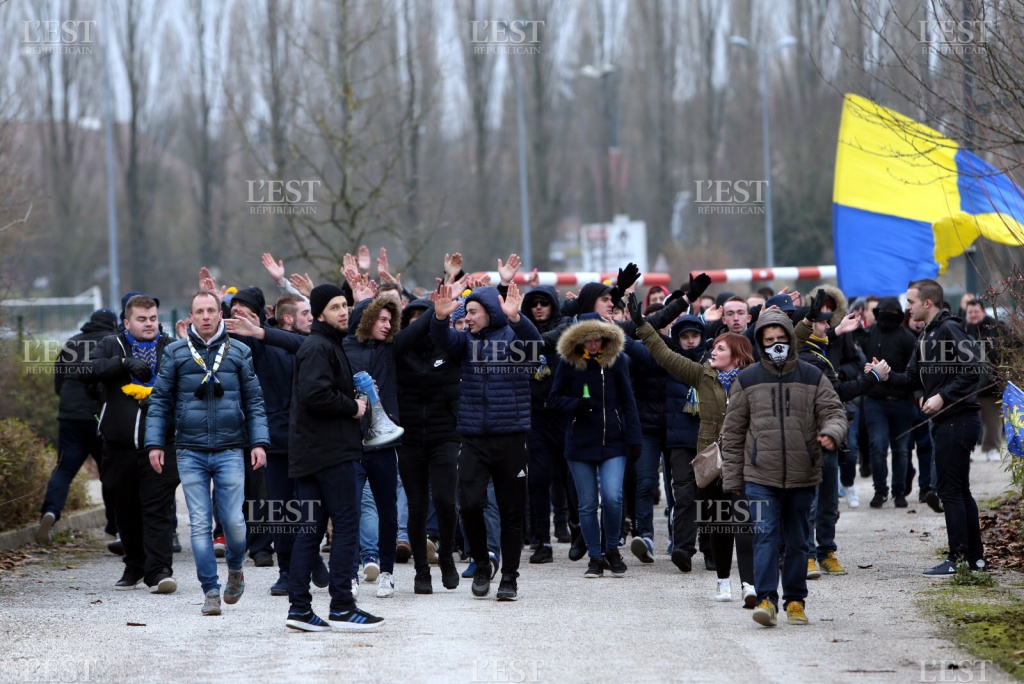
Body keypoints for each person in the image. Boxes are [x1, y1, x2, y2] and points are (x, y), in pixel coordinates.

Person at [145, 290, 270, 617]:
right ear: (190, 317)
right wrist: (155, 444)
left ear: (219, 314)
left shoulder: (239, 351)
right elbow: (159, 402)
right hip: (190, 450)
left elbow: (255, 402)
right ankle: (210, 591)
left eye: (210, 310)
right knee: (200, 524)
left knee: (234, 522)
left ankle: (234, 569)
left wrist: (258, 442)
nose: (204, 316)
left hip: (230, 448)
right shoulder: (174, 353)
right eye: (198, 311)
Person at [630, 293, 760, 605]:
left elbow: (784, 344)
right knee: (718, 524)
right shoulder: (702, 375)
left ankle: (750, 586)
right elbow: (665, 356)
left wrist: (807, 324)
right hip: (710, 464)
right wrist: (642, 325)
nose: (711, 351)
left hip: (743, 462)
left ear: (738, 355)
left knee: (742, 523)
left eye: (719, 348)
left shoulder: (755, 380)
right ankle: (723, 582)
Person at [720, 309, 847, 627]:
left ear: (791, 340)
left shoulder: (811, 375)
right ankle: (765, 599)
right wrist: (733, 480)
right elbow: (732, 434)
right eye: (769, 340)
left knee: (797, 541)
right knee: (764, 536)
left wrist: (831, 434)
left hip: (803, 474)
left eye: (781, 338)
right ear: (760, 343)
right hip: (760, 476)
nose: (776, 344)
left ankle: (795, 601)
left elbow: (834, 411)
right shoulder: (746, 380)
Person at [430, 282, 541, 601]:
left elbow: (535, 345)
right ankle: (482, 564)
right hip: (474, 438)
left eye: (473, 312)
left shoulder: (514, 337)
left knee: (511, 512)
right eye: (466, 314)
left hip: (511, 439)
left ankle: (509, 578)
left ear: (491, 312)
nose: (468, 318)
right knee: (469, 504)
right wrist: (439, 319)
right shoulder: (465, 341)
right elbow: (442, 341)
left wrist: (517, 318)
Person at [284, 283, 384, 632]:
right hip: (330, 455)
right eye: (335, 307)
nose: (344, 311)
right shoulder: (318, 346)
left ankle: (299, 610)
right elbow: (314, 395)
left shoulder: (326, 345)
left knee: (309, 532)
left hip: (315, 454)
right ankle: (342, 605)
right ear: (319, 314)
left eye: (345, 305)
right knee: (344, 528)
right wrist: (353, 406)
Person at [884, 279, 986, 575]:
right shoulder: (926, 334)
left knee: (950, 491)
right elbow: (912, 379)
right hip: (946, 422)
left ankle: (957, 559)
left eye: (911, 302)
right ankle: (974, 559)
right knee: (959, 490)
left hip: (959, 420)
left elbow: (973, 369)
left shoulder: (948, 328)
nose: (908, 307)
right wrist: (885, 374)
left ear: (928, 303)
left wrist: (943, 397)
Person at [90, 295, 180, 593]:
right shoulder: (110, 345)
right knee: (125, 509)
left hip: (162, 443)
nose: (149, 324)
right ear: (127, 322)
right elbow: (86, 372)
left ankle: (159, 571)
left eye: (153, 318)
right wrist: (122, 364)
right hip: (119, 445)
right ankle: (134, 566)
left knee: (158, 508)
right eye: (142, 319)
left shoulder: (170, 347)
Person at [548, 314, 641, 578]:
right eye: (587, 338)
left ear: (604, 337)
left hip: (614, 440)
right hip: (579, 443)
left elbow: (628, 402)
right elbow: (553, 399)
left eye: (597, 337)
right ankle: (595, 557)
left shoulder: (617, 360)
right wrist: (574, 404)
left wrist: (634, 439)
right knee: (587, 504)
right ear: (579, 339)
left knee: (613, 498)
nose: (592, 343)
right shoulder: (569, 363)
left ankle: (612, 548)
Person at [393, 296, 462, 593]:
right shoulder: (397, 352)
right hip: (408, 438)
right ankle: (422, 570)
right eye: (414, 317)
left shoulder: (449, 349)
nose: (419, 321)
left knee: (446, 501)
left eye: (425, 316)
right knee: (417, 506)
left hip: (443, 434)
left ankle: (446, 555)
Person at [37, 309, 119, 546]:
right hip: (100, 418)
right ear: (114, 324)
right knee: (111, 473)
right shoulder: (112, 344)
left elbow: (58, 382)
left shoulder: (72, 343)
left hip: (70, 417)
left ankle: (50, 513)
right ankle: (115, 526)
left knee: (63, 469)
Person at [964, 299, 1004, 462]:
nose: (973, 315)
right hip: (968, 385)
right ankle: (967, 450)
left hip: (991, 384)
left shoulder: (996, 328)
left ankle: (991, 448)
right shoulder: (961, 328)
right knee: (967, 421)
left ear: (983, 311)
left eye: (976, 311)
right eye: (970, 312)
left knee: (992, 421)